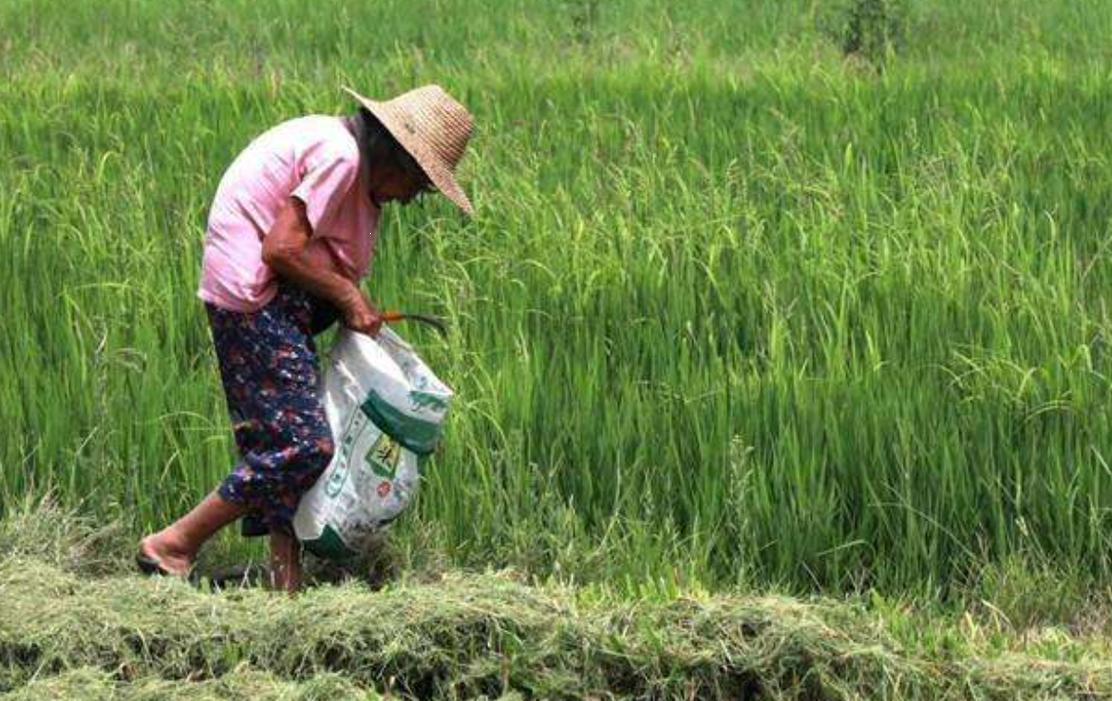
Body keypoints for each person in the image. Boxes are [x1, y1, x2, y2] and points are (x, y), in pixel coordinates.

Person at [136, 85, 475, 592]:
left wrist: (344, 298)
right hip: (254, 297)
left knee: (287, 434)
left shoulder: (347, 161)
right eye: (418, 184)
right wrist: (348, 296)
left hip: (278, 299)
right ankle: (174, 544)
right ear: (397, 157)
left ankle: (284, 581)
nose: (409, 198)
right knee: (302, 444)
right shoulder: (340, 157)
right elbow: (281, 249)